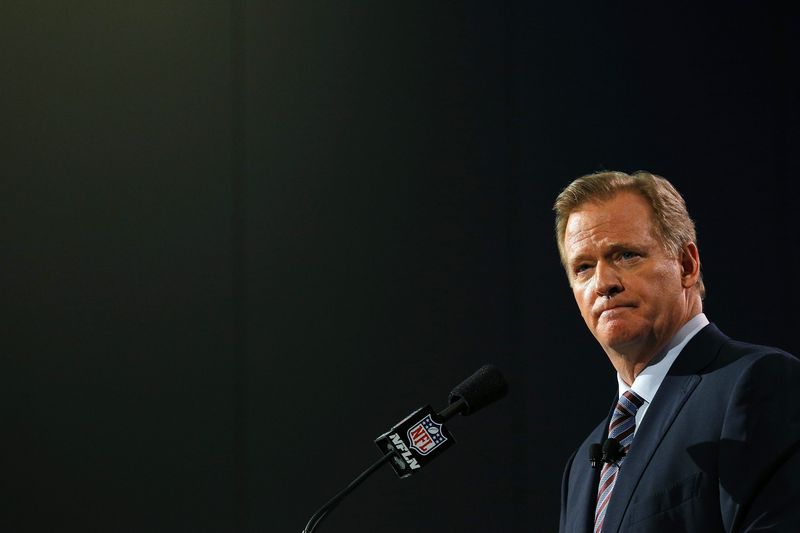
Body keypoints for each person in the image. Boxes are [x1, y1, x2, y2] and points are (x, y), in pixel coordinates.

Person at [554, 170, 800, 533]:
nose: (604, 283)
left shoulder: (758, 384)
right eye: (584, 267)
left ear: (686, 265)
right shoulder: (581, 466)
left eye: (625, 255)